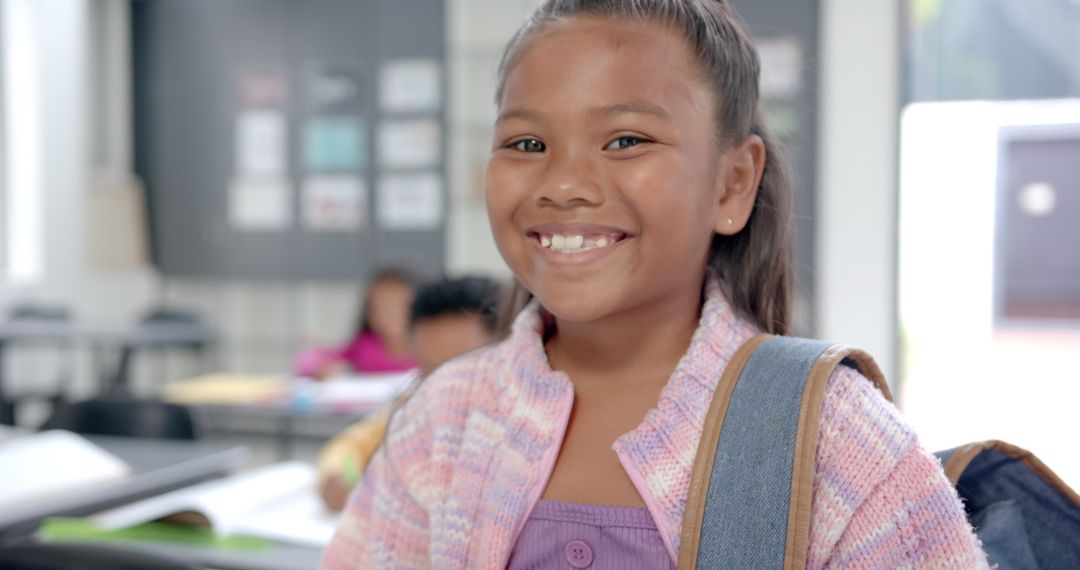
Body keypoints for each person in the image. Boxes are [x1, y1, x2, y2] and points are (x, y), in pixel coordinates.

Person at [322, 1, 989, 568]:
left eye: (625, 140)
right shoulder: (445, 421)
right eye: (527, 145)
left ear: (732, 184)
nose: (563, 185)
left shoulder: (833, 438)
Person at [316, 276, 501, 511]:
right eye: (431, 371)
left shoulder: (525, 423)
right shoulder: (413, 405)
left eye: (465, 371)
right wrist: (339, 477)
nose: (446, 388)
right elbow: (352, 444)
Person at [294, 268, 418, 379]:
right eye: (381, 307)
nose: (391, 314)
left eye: (402, 306)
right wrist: (321, 369)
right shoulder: (363, 345)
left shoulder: (427, 349)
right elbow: (307, 360)